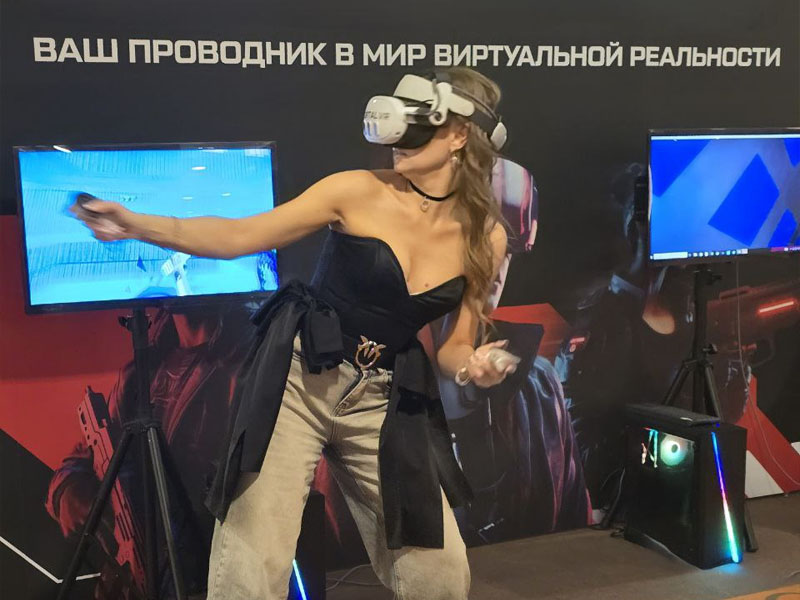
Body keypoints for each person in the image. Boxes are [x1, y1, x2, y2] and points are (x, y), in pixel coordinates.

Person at [71, 67, 515, 600]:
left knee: (438, 571)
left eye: (418, 130)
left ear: (459, 135)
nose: (398, 142)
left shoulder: (487, 238)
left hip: (382, 398)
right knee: (252, 563)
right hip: (300, 382)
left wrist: (471, 366)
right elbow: (240, 235)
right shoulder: (356, 190)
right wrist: (138, 224)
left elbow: (454, 347)